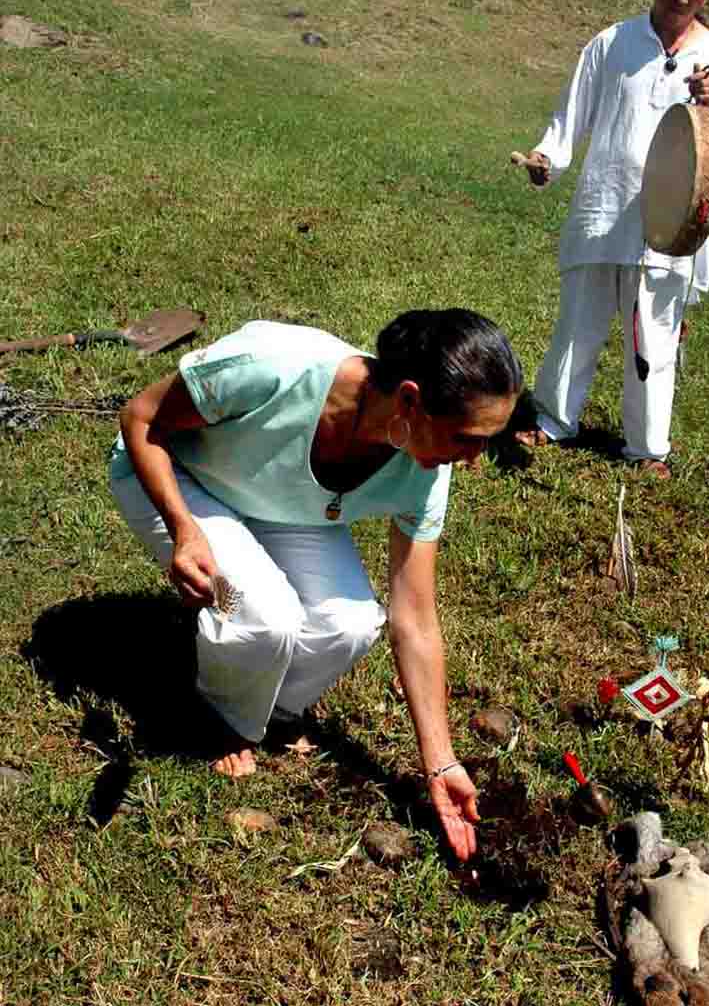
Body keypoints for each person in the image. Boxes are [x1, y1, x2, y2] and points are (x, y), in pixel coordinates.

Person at [110, 310, 523, 862]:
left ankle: (263, 704)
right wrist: (185, 530)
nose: (474, 461)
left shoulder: (427, 472)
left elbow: (415, 618)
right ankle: (219, 715)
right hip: (179, 480)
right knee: (263, 617)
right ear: (408, 400)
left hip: (282, 503)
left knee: (351, 624)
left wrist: (442, 761)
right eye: (467, 439)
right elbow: (140, 418)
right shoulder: (274, 370)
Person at [518, 0, 709, 478]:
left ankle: (647, 449)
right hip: (605, 202)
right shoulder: (612, 41)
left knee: (654, 332)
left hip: (670, 215)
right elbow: (573, 113)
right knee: (579, 321)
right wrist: (548, 155)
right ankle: (551, 419)